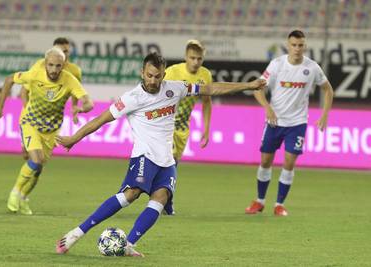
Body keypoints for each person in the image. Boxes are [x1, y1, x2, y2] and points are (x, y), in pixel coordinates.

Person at [55, 52, 265, 257]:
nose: (153, 80)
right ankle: (77, 233)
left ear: (164, 75)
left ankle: (128, 244)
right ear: (142, 73)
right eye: (149, 75)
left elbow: (210, 88)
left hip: (166, 159)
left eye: (157, 76)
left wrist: (248, 85)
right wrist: (74, 138)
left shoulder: (176, 88)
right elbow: (100, 120)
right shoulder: (132, 98)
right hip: (144, 155)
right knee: (132, 194)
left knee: (160, 198)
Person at [0, 47, 93, 215]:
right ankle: (15, 192)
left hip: (51, 130)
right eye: (50, 65)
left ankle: (23, 197)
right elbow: (9, 80)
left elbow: (89, 102)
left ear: (63, 65)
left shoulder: (70, 80)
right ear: (45, 63)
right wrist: (0, 107)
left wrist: (81, 109)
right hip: (30, 122)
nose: (54, 70)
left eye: (58, 66)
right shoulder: (34, 74)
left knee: (38, 169)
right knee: (36, 160)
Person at [244, 30, 334, 216]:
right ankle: (260, 201)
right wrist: (267, 107)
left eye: (300, 45)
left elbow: (328, 89)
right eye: (294, 45)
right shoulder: (277, 65)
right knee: (266, 161)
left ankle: (279, 205)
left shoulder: (312, 68)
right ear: (288, 45)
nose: (297, 49)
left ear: (305, 46)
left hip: (297, 123)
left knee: (289, 162)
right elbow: (257, 88)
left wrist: (325, 114)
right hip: (275, 121)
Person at [163, 40, 212, 215]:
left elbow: (207, 103)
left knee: (173, 165)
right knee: (166, 162)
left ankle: (166, 199)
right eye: (192, 58)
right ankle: (164, 201)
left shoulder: (205, 75)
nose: (196, 62)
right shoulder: (173, 72)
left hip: (183, 127)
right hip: (165, 124)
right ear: (186, 57)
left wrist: (206, 129)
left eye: (199, 59)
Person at [20, 37, 83, 160]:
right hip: (31, 115)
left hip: (51, 119)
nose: (64, 54)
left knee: (41, 158)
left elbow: (76, 92)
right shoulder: (39, 66)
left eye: (66, 51)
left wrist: (75, 107)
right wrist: (29, 111)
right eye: (61, 51)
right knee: (26, 154)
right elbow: (24, 91)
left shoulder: (74, 71)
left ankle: (33, 173)